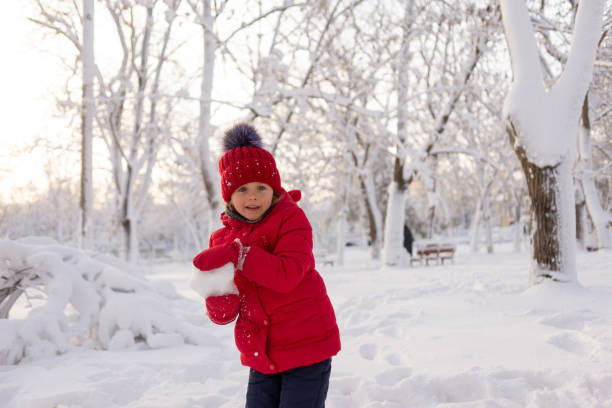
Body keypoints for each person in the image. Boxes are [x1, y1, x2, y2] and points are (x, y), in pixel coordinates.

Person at [190, 123, 341, 408]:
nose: (253, 196)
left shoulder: (290, 219)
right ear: (229, 196)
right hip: (263, 353)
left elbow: (288, 273)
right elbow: (225, 313)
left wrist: (240, 256)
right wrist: (216, 294)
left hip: (307, 346)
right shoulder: (223, 239)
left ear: (273, 188)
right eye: (243, 189)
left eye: (262, 187)